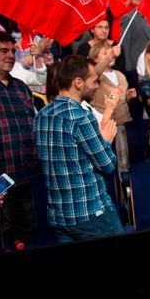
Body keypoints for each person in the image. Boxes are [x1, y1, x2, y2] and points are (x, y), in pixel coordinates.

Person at [34, 55, 122, 243]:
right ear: (78, 82)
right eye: (94, 81)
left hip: (59, 216)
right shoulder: (81, 117)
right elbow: (107, 165)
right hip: (90, 213)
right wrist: (105, 140)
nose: (97, 86)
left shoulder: (42, 115)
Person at [0, 31, 40, 244]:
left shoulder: (21, 88)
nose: (10, 56)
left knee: (29, 240)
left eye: (13, 51)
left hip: (26, 178)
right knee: (0, 243)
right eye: (3, 51)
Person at [88, 41, 135, 172]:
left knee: (125, 161)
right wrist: (110, 55)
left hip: (123, 123)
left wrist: (129, 97)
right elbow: (94, 72)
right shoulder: (96, 76)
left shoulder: (120, 75)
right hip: (105, 126)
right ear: (95, 59)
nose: (111, 55)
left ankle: (126, 187)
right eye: (105, 53)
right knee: (110, 162)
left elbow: (121, 98)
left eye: (111, 52)